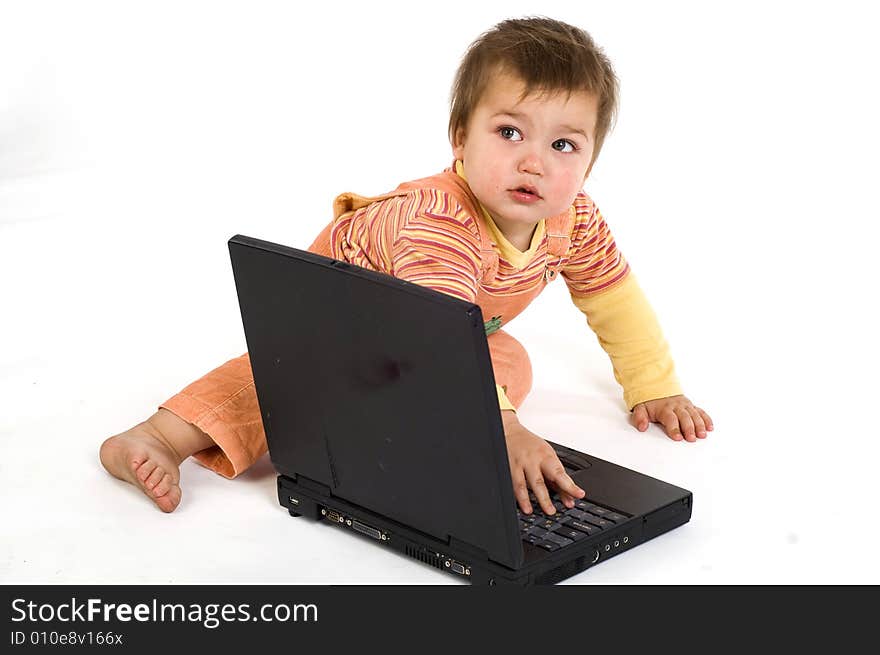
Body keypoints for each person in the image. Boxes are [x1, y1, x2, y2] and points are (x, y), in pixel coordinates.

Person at [100, 16, 713, 518]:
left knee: (509, 360)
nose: (534, 163)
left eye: (563, 145)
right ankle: (158, 435)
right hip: (333, 322)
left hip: (423, 340)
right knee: (280, 381)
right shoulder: (439, 222)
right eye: (508, 132)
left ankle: (399, 412)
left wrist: (654, 385)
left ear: (590, 161)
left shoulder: (575, 219)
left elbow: (614, 298)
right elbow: (439, 325)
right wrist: (502, 431)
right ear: (460, 138)